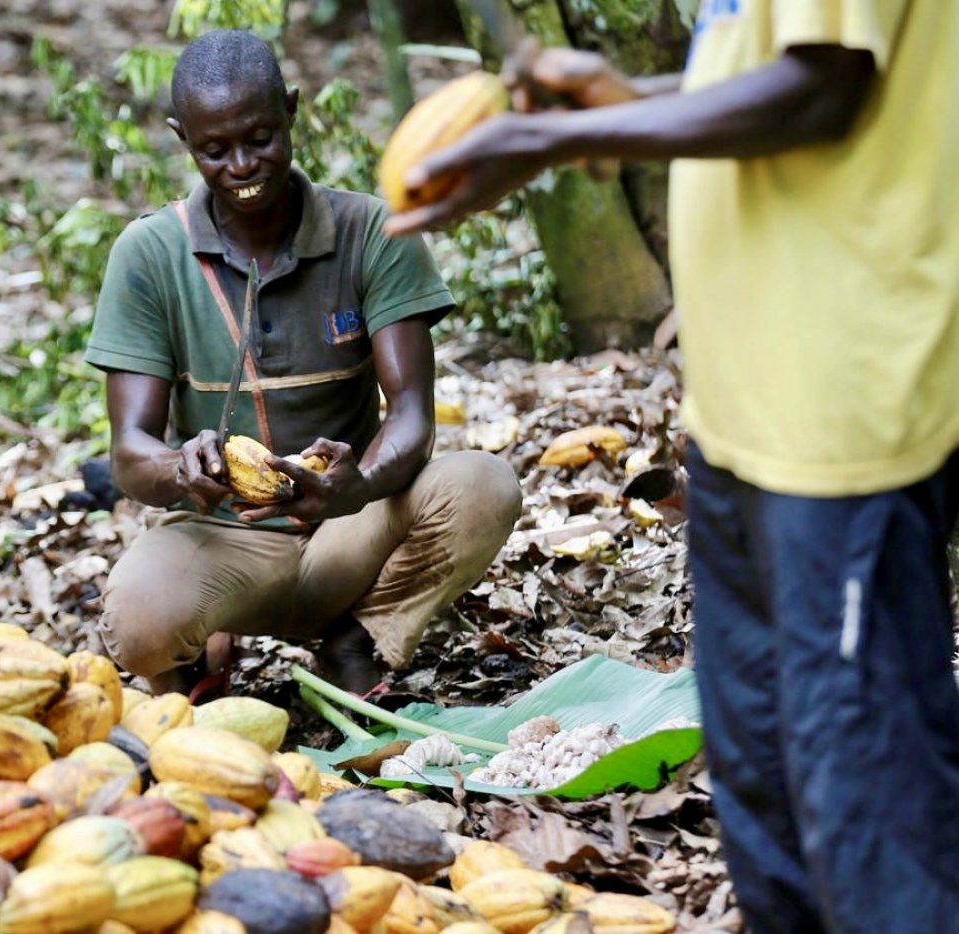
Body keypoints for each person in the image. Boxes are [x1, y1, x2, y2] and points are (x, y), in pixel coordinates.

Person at [385, 3, 959, 931]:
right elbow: (763, 82)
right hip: (742, 416)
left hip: (843, 422)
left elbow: (824, 90)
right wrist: (628, 98)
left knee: (868, 809)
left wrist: (556, 135)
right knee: (768, 804)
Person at [85, 29, 521, 698]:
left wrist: (363, 480)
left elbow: (411, 416)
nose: (242, 165)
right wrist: (181, 468)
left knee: (482, 486)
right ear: (182, 139)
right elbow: (128, 451)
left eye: (259, 138)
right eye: (214, 149)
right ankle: (196, 662)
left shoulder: (371, 232)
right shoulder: (150, 254)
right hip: (222, 537)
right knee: (138, 622)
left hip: (351, 525)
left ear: (292, 110)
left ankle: (361, 637)